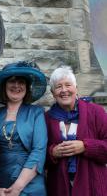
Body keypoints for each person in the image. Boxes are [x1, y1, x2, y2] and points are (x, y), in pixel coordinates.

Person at [0, 61, 48, 196]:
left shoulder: (36, 113)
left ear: (27, 87)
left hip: (30, 185)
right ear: (4, 85)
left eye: (21, 82)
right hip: (1, 187)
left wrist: (17, 188)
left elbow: (39, 151)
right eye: (12, 81)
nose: (16, 85)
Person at [45, 66, 107, 196]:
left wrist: (85, 146)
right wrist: (52, 153)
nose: (64, 90)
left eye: (68, 85)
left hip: (93, 187)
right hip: (59, 188)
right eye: (58, 87)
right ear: (52, 92)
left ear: (76, 88)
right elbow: (37, 154)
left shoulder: (96, 112)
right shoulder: (47, 118)